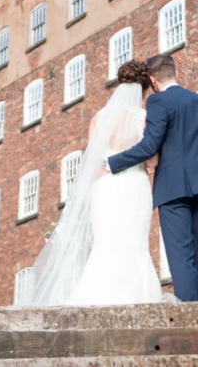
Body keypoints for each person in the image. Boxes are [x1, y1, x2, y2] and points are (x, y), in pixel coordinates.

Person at [30, 60, 162, 306]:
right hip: (134, 186)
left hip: (105, 186)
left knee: (106, 244)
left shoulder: (99, 118)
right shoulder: (143, 118)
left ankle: (94, 301)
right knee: (135, 246)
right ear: (144, 90)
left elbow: (93, 161)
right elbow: (152, 162)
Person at [106, 54, 198, 302]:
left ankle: (187, 323)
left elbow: (150, 146)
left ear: (152, 80)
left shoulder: (158, 101)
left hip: (174, 188)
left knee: (181, 256)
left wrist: (111, 162)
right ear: (174, 73)